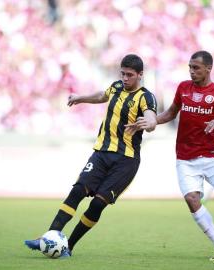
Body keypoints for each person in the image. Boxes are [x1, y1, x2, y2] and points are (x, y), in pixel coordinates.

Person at [24, 54, 157, 257]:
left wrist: (148, 123)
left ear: (140, 75)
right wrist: (80, 98)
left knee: (97, 204)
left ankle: (69, 246)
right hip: (101, 154)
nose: (125, 78)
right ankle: (48, 237)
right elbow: (102, 96)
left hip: (126, 161)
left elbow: (151, 118)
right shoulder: (116, 87)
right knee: (77, 191)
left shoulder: (146, 97)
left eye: (129, 75)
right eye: (122, 73)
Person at [128, 51, 214, 261]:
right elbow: (171, 113)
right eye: (190, 67)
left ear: (208, 69)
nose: (192, 72)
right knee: (192, 199)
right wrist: (152, 121)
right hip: (185, 157)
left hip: (211, 155)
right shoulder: (183, 88)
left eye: (196, 68)